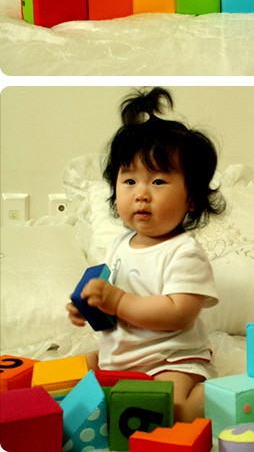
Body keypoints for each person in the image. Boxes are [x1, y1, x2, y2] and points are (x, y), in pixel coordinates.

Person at [67, 87, 225, 422]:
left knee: (171, 411)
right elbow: (108, 297)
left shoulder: (184, 252)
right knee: (65, 380)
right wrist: (89, 304)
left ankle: (219, 395)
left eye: (158, 182)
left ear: (192, 198)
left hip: (170, 361)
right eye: (129, 181)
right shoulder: (118, 245)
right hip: (118, 360)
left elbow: (179, 314)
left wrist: (117, 301)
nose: (141, 194)